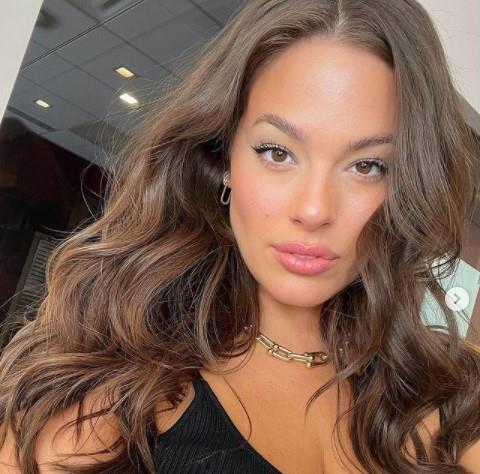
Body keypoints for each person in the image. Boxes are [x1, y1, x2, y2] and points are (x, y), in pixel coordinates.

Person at [1, 0, 480, 472]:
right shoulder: (108, 393)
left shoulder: (451, 396)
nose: (314, 210)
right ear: (224, 157)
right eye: (277, 152)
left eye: (368, 166)